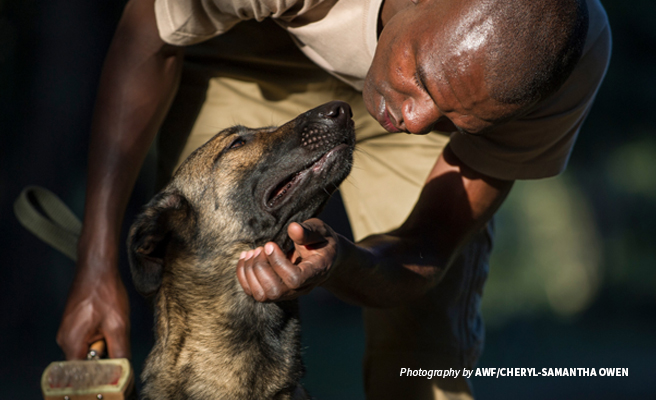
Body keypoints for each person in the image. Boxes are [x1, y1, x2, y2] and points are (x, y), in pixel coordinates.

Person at [56, 0, 610, 398]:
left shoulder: (561, 67)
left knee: (425, 362)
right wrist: (97, 260)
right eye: (419, 75)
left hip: (441, 128)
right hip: (246, 54)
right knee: (207, 286)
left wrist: (342, 263)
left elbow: (427, 245)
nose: (411, 119)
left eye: (450, 109)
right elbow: (145, 36)